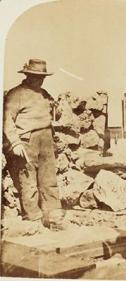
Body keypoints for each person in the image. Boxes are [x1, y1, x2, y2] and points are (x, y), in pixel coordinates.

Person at [3, 59, 65, 230]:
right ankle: (33, 220)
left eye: (42, 77)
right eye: (36, 77)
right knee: (28, 180)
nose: (40, 80)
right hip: (26, 140)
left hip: (46, 138)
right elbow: (7, 121)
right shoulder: (16, 94)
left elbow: (54, 113)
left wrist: (57, 109)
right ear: (27, 75)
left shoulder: (44, 93)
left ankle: (52, 216)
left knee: (48, 178)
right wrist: (15, 143)